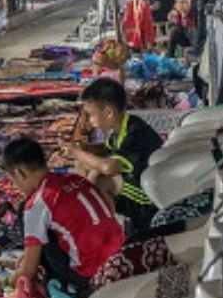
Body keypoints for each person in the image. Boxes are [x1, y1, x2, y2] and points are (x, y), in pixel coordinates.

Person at [3, 136, 124, 298]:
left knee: (27, 212)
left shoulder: (37, 204)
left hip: (94, 275)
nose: (15, 185)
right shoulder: (75, 179)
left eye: (13, 180)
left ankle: (65, 288)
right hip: (122, 256)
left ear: (19, 173)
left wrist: (6, 281)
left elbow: (27, 273)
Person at [68, 78, 163, 233]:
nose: (90, 122)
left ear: (108, 113)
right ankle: (87, 209)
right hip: (139, 182)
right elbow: (105, 151)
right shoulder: (119, 129)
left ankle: (103, 230)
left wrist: (77, 153)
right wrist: (85, 148)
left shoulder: (134, 131)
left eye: (91, 115)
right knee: (86, 166)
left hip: (150, 199)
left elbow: (109, 167)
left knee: (101, 180)